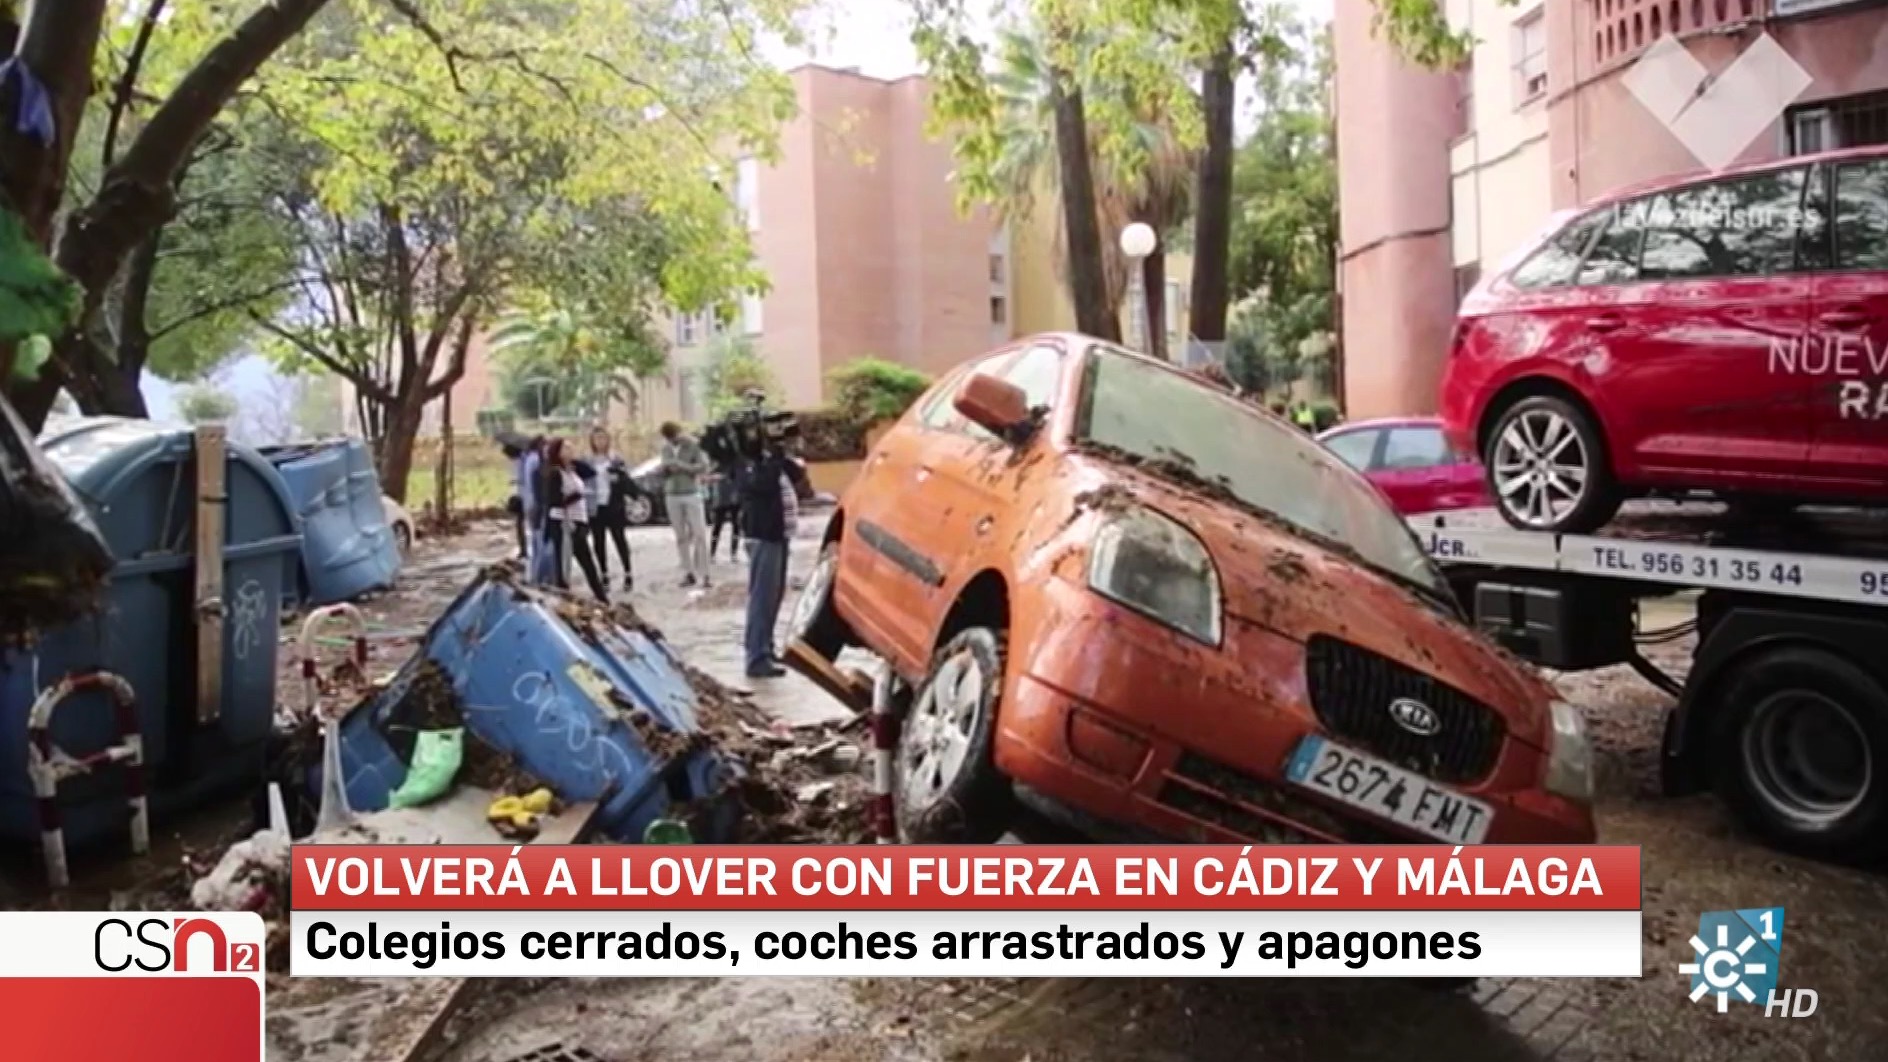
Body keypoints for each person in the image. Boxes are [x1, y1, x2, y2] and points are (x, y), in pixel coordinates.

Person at [736, 435, 811, 679]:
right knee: (762, 598)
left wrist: (782, 453)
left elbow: (797, 475)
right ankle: (756, 657)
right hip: (764, 536)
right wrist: (775, 457)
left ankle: (765, 649)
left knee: (773, 596)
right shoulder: (748, 466)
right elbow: (764, 486)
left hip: (779, 535)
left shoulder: (771, 462)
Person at [535, 439, 608, 601]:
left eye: (571, 447)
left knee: (587, 562)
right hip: (563, 523)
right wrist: (575, 497)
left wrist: (573, 461)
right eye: (566, 448)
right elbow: (553, 500)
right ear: (558, 452)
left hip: (578, 520)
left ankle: (601, 597)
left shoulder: (572, 470)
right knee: (564, 563)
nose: (571, 450)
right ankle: (562, 596)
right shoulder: (554, 473)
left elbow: (590, 472)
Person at [657, 421, 711, 588]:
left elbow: (703, 466)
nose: (672, 440)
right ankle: (687, 572)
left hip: (691, 492)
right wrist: (665, 469)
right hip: (672, 493)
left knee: (699, 533)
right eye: (669, 438)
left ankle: (705, 573)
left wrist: (682, 466)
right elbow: (663, 469)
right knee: (681, 536)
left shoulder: (693, 445)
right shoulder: (665, 448)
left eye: (674, 436)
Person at [584, 425, 634, 590]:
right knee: (599, 541)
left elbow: (626, 479)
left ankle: (628, 572)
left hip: (614, 503)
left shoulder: (615, 458)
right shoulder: (588, 460)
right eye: (597, 438)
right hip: (596, 505)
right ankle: (604, 573)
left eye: (603, 438)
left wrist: (618, 479)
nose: (600, 442)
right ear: (592, 441)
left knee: (619, 539)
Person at [707, 449, 743, 564]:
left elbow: (740, 479)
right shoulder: (719, 463)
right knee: (718, 526)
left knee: (735, 525)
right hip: (722, 498)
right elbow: (709, 476)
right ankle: (713, 553)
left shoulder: (737, 462)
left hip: (732, 497)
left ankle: (733, 553)